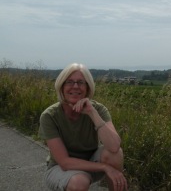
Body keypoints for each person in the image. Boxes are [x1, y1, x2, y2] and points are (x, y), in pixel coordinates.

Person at [39, 63, 128, 191]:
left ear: (87, 88)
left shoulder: (98, 109)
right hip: (60, 168)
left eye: (81, 82)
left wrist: (93, 113)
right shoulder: (49, 116)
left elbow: (114, 146)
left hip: (91, 162)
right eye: (69, 82)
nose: (75, 86)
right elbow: (64, 162)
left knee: (115, 154)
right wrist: (105, 167)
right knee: (79, 182)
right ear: (62, 86)